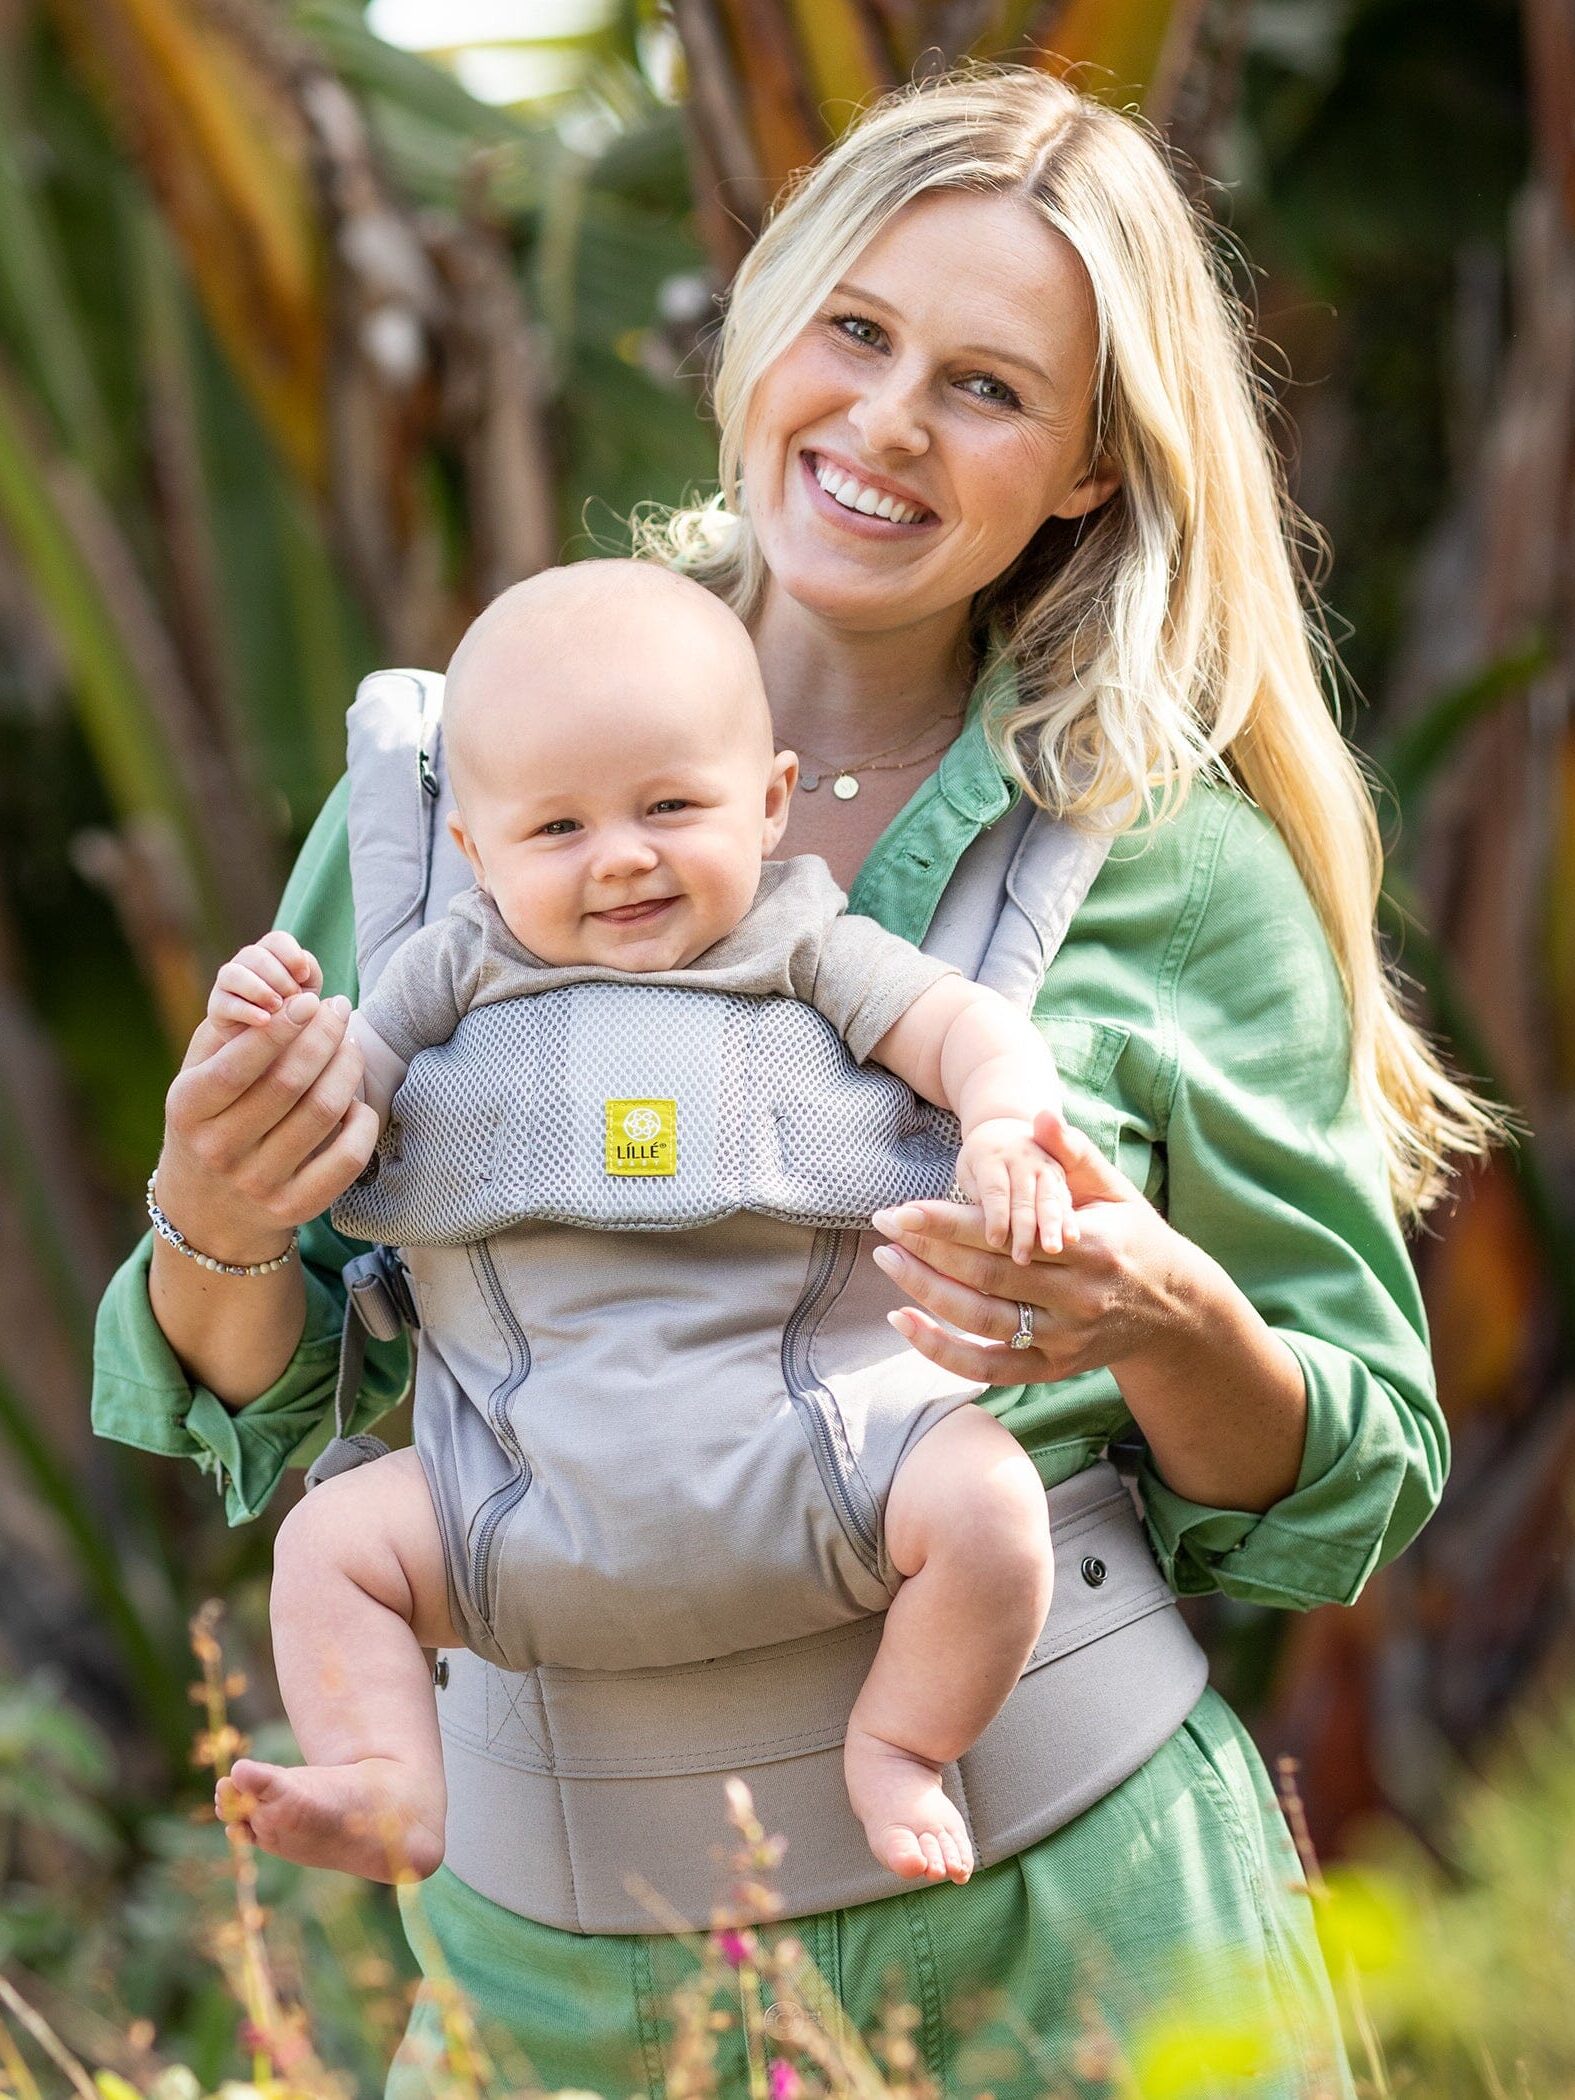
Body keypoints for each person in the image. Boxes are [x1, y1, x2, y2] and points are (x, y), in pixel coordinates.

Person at [93, 66, 1490, 2095]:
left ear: (1090, 469)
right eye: (854, 329)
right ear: (765, 321)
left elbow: (1346, 1470)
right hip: (550, 1988)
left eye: (987, 388)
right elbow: (277, 1399)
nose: (886, 420)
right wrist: (213, 1220)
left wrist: (1169, 1321)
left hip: (1069, 1942)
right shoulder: (444, 798)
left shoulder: (1168, 863)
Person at [204, 558, 1072, 1892]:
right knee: (331, 1547)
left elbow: (965, 1030)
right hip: (508, 1502)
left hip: (828, 1464)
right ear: (474, 854)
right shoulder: (452, 967)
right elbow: (333, 1100)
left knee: (999, 1509)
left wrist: (1007, 1122)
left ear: (771, 802)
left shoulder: (805, 943)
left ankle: (901, 1744)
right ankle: (388, 1782)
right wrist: (275, 1038)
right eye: (557, 831)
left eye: (671, 806)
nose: (621, 856)